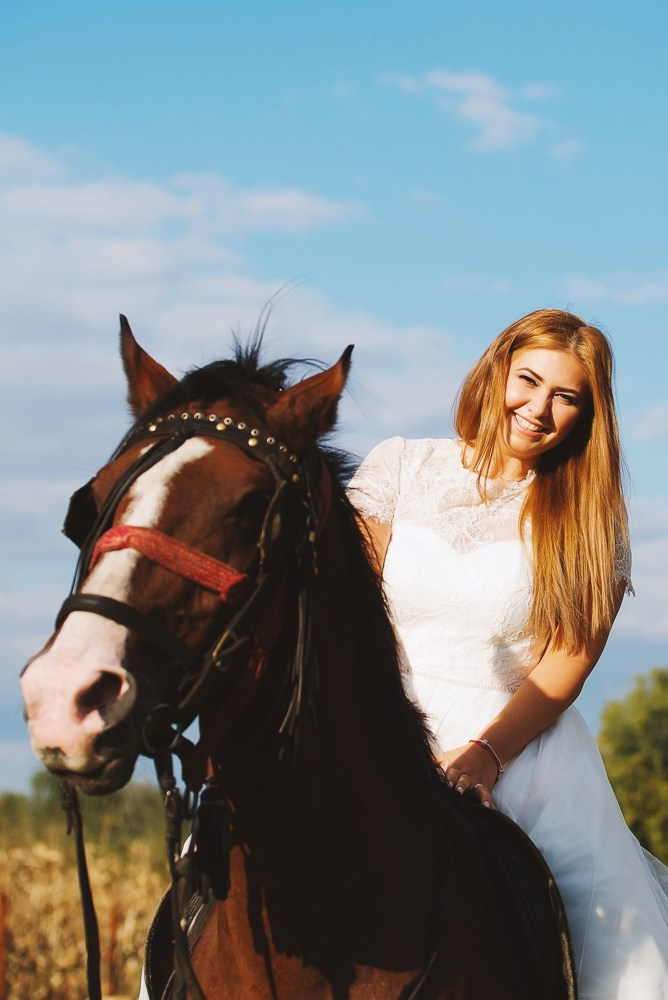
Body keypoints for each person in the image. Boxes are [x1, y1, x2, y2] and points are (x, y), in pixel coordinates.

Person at [348, 309, 668, 999]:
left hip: (520, 748)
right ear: (498, 371)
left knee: (615, 944)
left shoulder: (590, 520)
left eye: (567, 396)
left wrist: (483, 757)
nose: (539, 408)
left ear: (588, 414)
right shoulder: (399, 467)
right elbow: (349, 613)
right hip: (385, 722)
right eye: (528, 380)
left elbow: (566, 664)